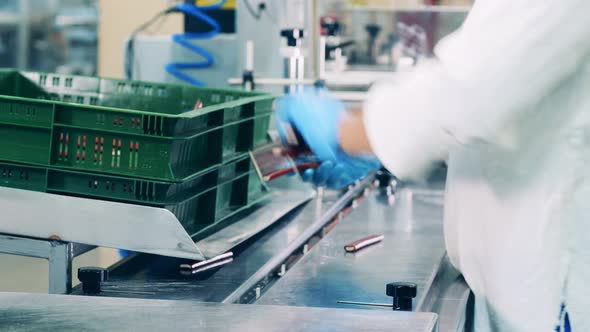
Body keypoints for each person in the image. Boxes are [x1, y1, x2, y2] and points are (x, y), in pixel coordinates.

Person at [276, 1, 590, 331]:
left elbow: (475, 88)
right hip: (519, 274)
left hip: (551, 289)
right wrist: (374, 145)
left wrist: (347, 132)